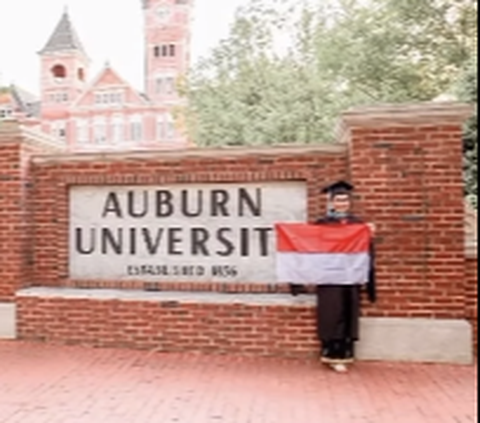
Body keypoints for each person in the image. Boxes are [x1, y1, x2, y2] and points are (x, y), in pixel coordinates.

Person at [289, 180, 376, 373]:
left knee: (348, 312)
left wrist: (367, 235)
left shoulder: (357, 224)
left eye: (345, 200)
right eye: (338, 200)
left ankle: (346, 354)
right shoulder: (323, 224)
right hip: (329, 276)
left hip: (350, 276)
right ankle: (331, 354)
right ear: (331, 202)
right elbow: (309, 246)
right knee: (332, 313)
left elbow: (364, 251)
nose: (342, 203)